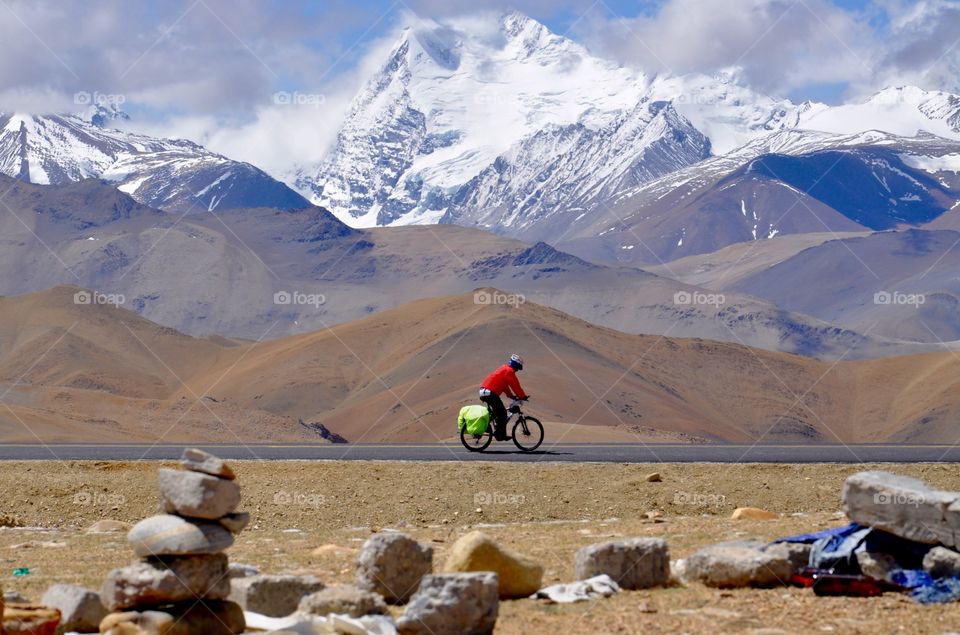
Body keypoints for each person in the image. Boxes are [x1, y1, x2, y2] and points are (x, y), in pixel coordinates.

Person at [479, 353, 528, 441]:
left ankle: (488, 427)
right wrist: (522, 396)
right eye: (518, 367)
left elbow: (505, 386)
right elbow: (515, 385)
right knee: (502, 413)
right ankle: (499, 435)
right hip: (490, 393)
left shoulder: (504, 369)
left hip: (485, 392)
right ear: (515, 364)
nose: (517, 370)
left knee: (497, 413)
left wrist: (511, 396)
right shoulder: (509, 371)